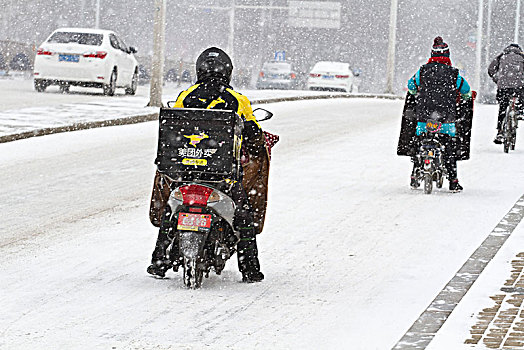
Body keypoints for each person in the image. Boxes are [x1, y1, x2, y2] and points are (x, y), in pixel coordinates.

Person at [147, 47, 266, 283]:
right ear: (228, 72)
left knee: (170, 213)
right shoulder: (237, 100)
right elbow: (253, 136)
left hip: (186, 174)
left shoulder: (186, 96)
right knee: (243, 221)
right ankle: (250, 270)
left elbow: (174, 129)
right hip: (222, 177)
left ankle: (158, 262)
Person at [407, 37, 472, 192]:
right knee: (449, 146)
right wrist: (464, 98)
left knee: (420, 141)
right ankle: (453, 180)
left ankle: (415, 176)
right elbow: (466, 91)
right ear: (448, 55)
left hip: (424, 118)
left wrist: (417, 93)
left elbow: (411, 86)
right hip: (446, 120)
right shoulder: (454, 74)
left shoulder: (422, 71)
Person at [488, 43, 524, 144]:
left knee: (503, 107)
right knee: (521, 95)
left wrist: (498, 80)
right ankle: (520, 111)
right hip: (518, 86)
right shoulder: (522, 56)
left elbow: (491, 69)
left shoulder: (501, 56)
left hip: (503, 86)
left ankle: (500, 132)